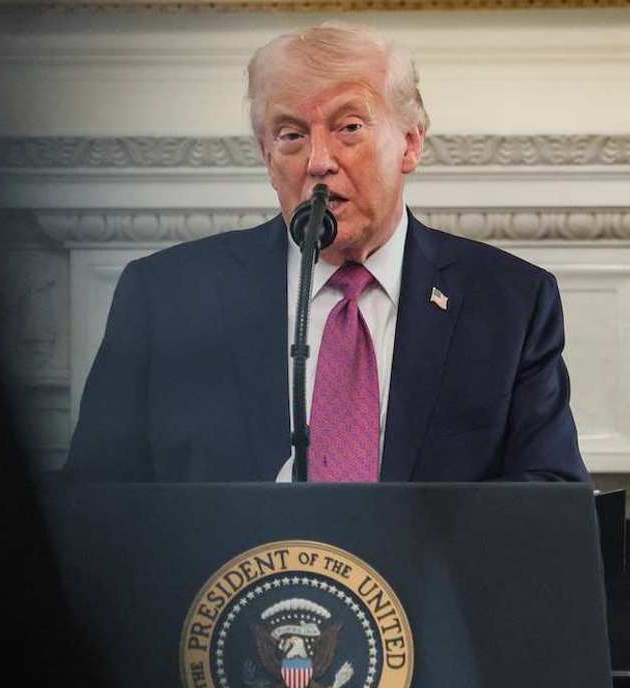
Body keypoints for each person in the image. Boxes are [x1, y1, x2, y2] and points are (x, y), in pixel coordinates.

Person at [65, 23, 588, 484]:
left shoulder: (509, 302)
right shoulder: (165, 298)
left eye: (349, 128)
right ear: (268, 158)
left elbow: (546, 498)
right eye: (291, 135)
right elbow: (98, 502)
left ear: (410, 143)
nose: (318, 161)